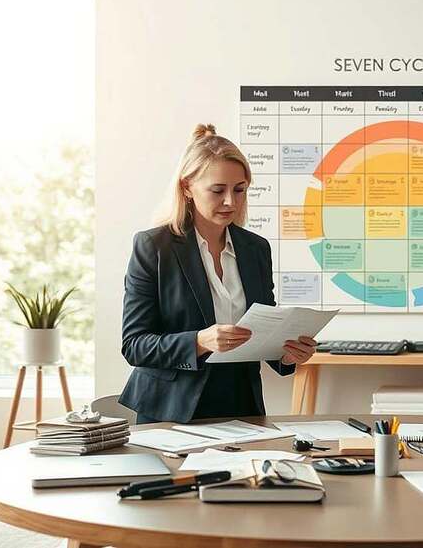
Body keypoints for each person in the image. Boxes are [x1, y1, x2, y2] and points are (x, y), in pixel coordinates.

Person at [119, 124, 317, 424]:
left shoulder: (255, 249)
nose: (231, 202)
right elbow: (135, 344)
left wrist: (288, 354)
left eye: (239, 190)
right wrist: (199, 341)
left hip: (242, 406)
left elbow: (264, 329)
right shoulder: (154, 247)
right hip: (172, 410)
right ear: (187, 187)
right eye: (218, 190)